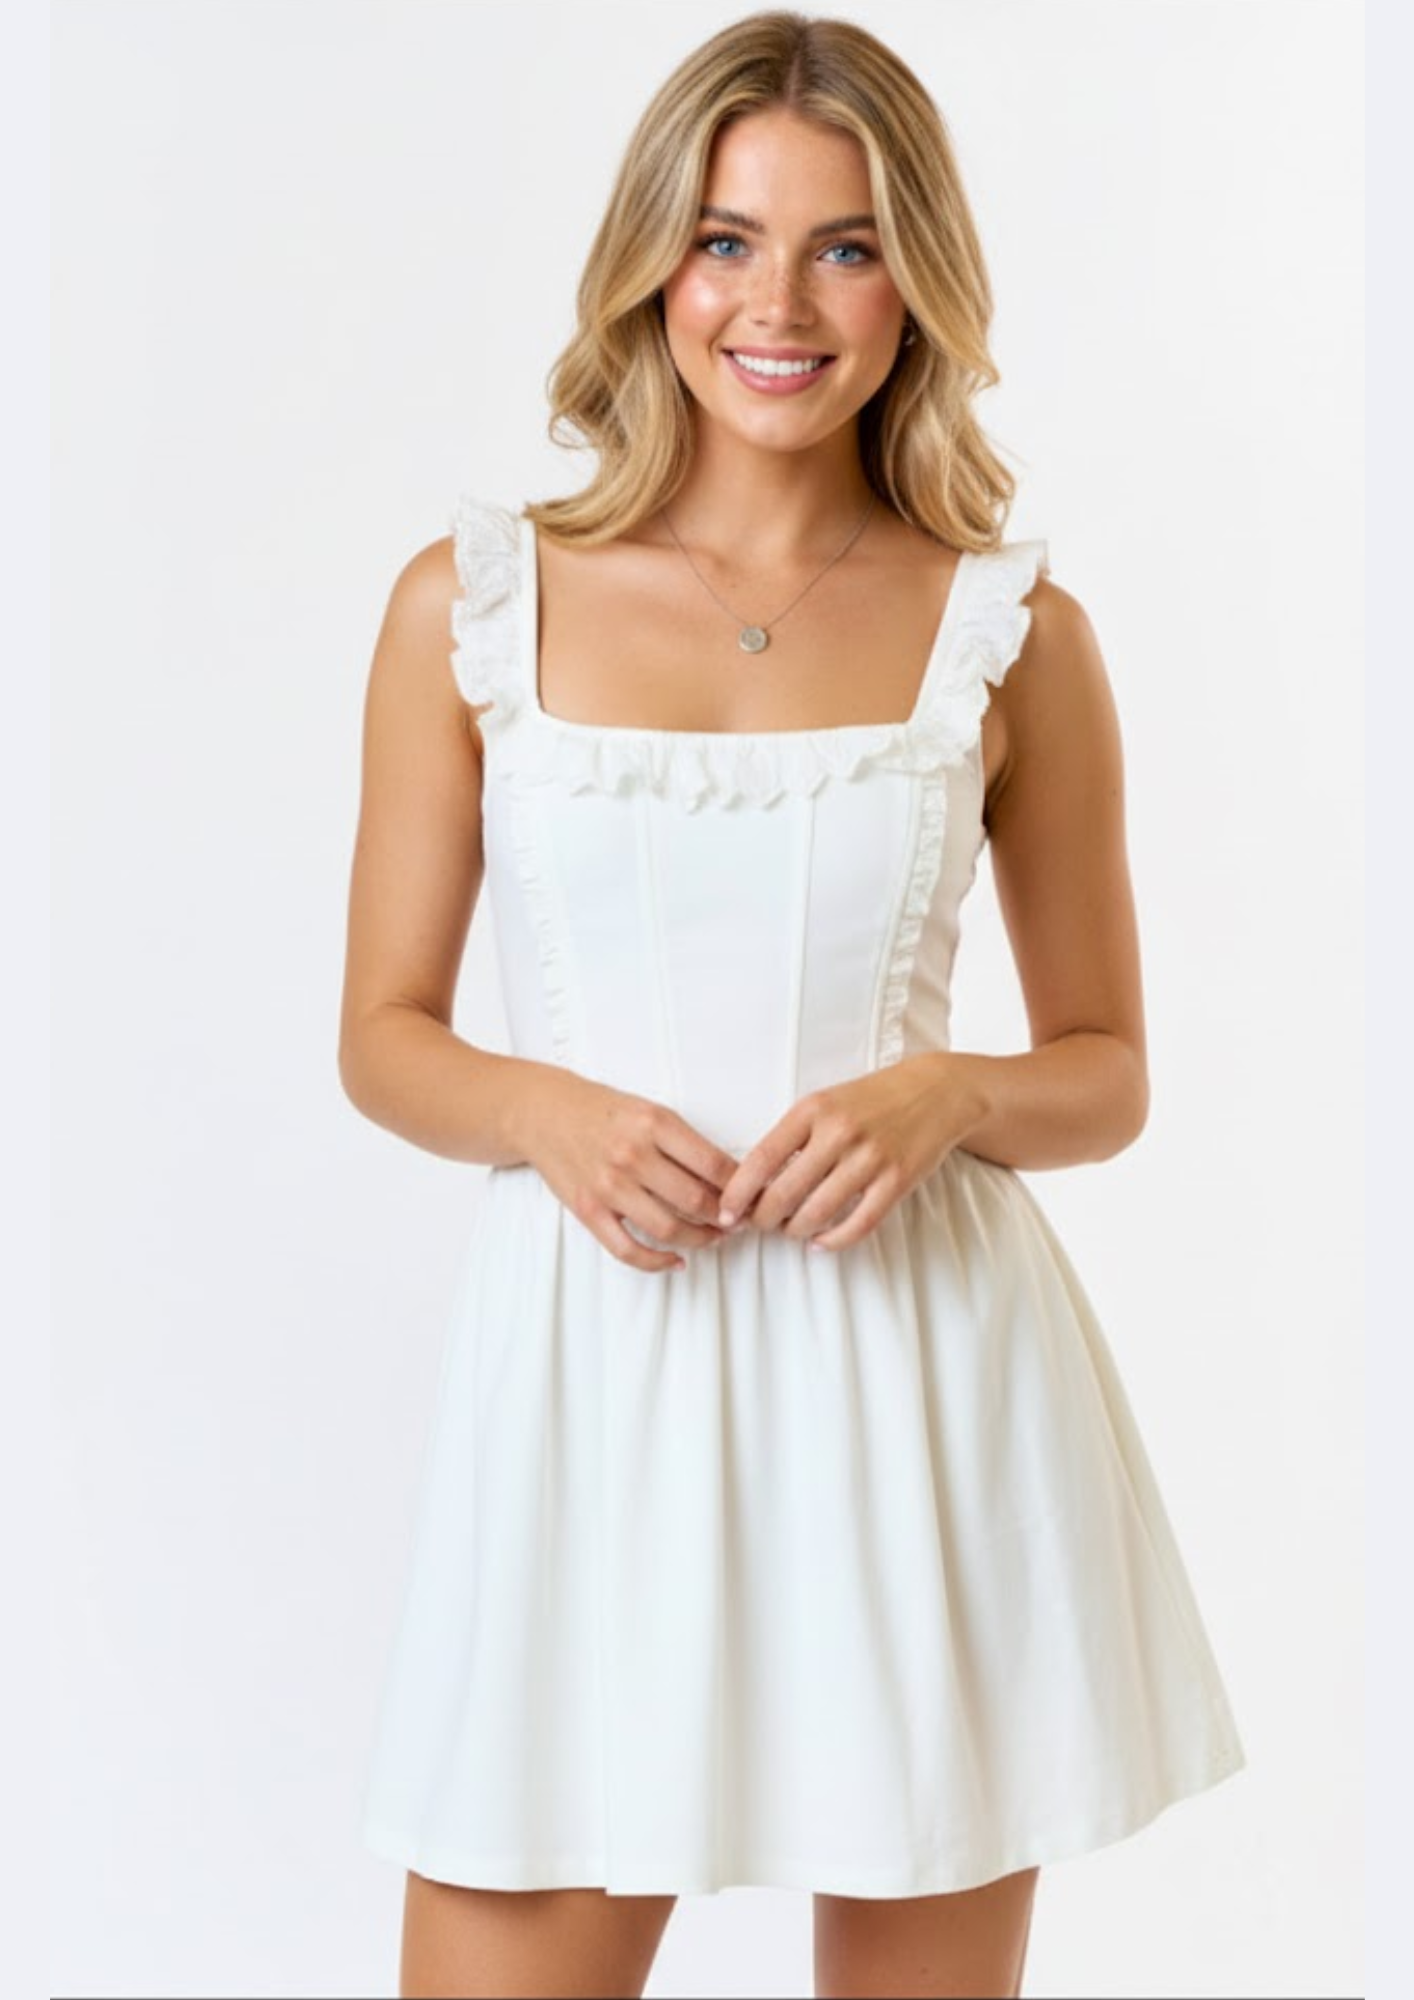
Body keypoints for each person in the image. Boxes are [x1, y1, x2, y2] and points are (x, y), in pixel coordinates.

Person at [338, 11, 1246, 1996]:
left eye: (844, 247)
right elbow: (382, 1034)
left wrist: (947, 1096)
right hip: (595, 1380)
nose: (778, 303)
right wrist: (546, 1112)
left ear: (914, 284)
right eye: (725, 239)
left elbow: (1104, 1075)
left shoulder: (1014, 635)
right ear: (649, 265)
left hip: (913, 1382)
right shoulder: (466, 606)